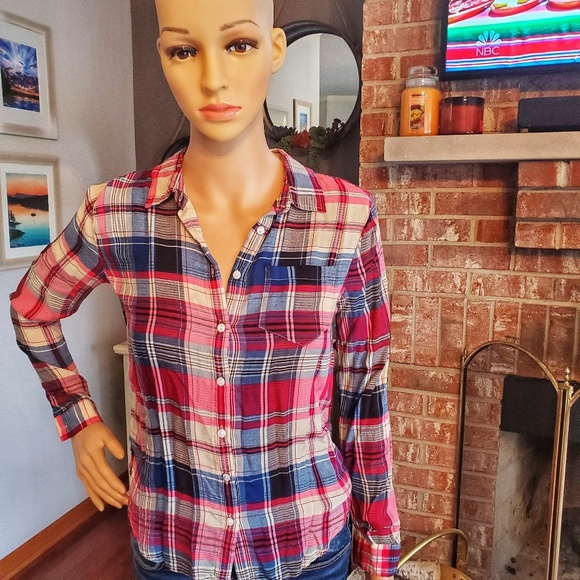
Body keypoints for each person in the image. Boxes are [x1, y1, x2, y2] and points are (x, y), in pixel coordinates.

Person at [10, 0, 401, 578]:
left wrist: (380, 549)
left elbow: (365, 392)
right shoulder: (117, 213)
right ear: (162, 58)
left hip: (306, 543)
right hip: (175, 544)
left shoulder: (345, 217)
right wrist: (80, 417)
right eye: (184, 50)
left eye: (238, 45)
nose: (212, 78)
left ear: (274, 50)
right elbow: (32, 308)